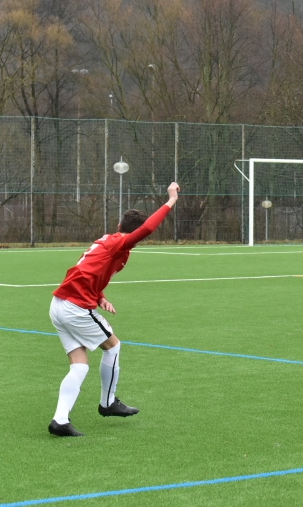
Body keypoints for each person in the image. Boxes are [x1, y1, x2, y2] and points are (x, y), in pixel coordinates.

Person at [48, 182, 180, 437]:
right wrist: (171, 200)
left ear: (119, 225)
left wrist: (100, 297)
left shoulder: (107, 241)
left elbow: (85, 271)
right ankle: (108, 403)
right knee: (113, 347)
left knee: (79, 366)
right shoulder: (120, 243)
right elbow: (148, 228)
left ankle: (60, 421)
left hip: (60, 306)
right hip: (76, 308)